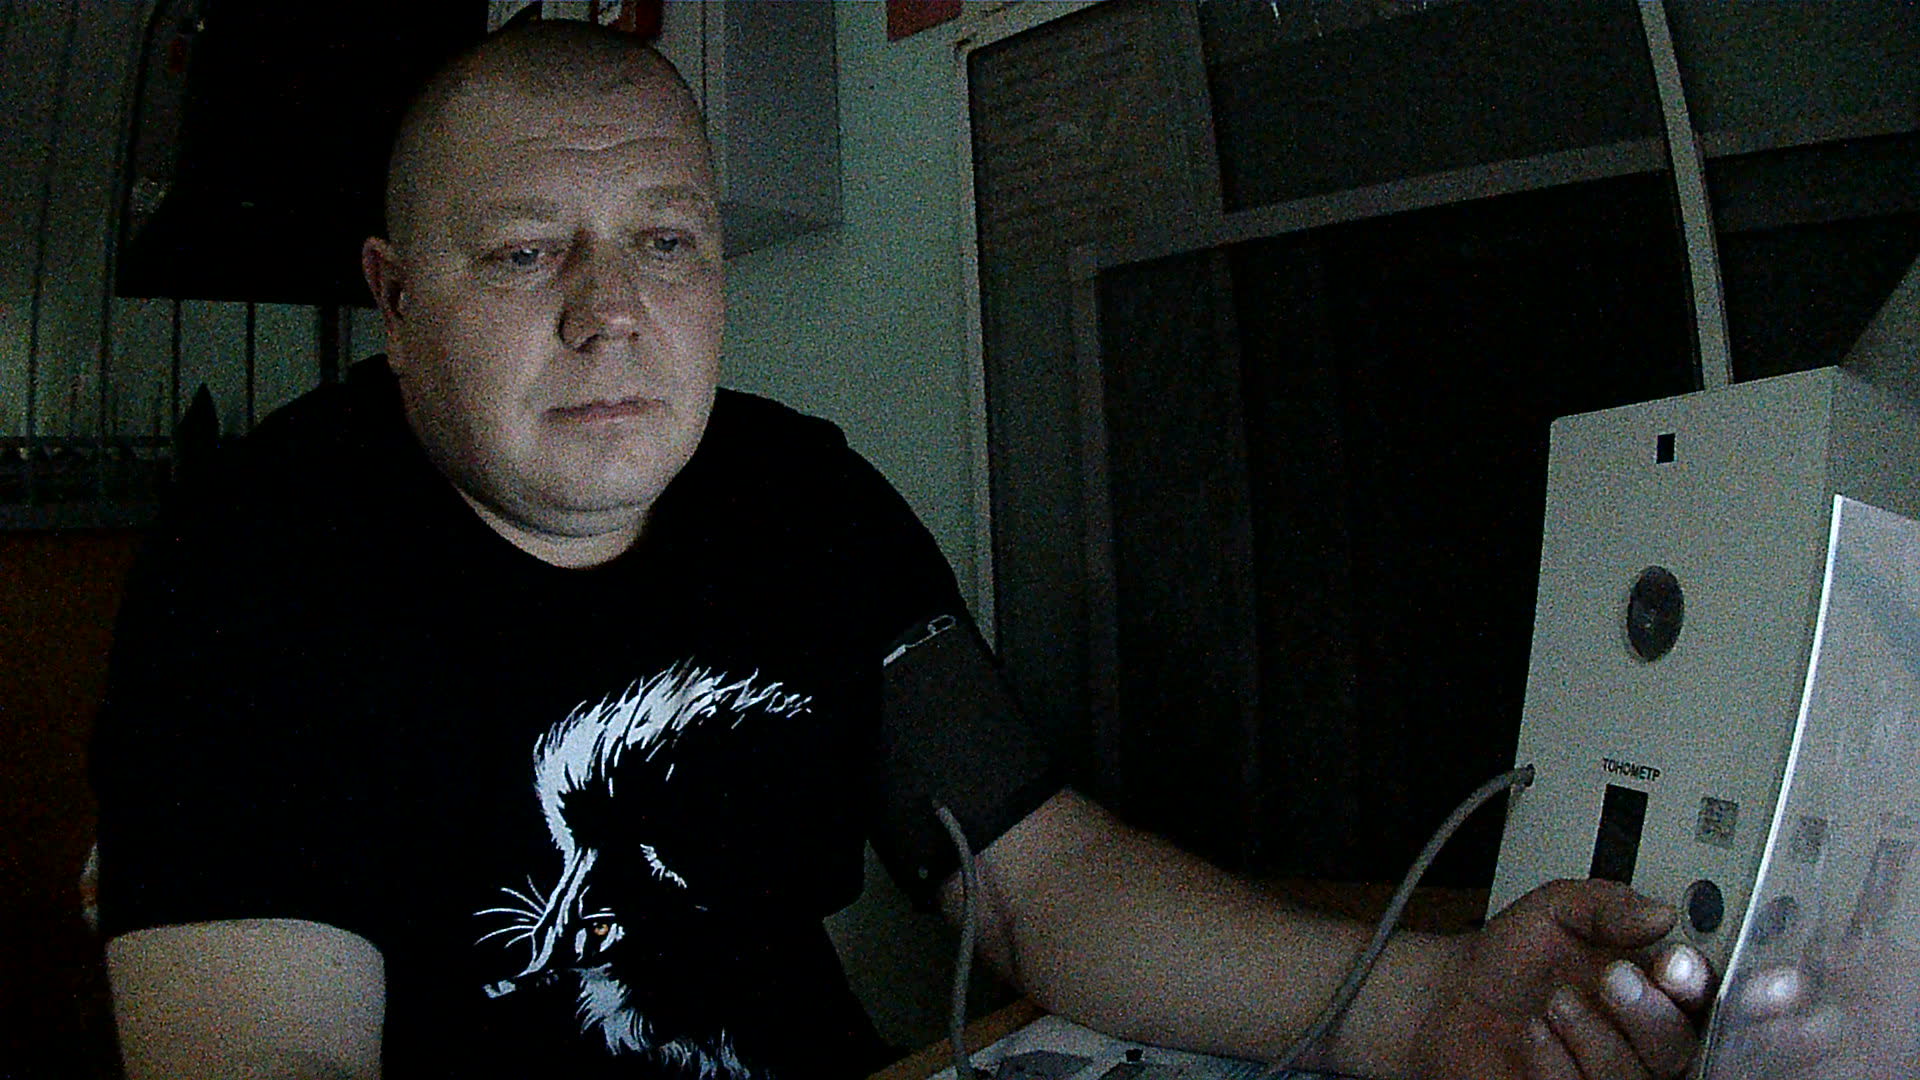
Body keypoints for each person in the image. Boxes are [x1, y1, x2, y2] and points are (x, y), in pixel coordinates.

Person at [91, 20, 1715, 1080]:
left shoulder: (798, 497)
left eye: (667, 241)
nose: (611, 313)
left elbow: (1038, 881)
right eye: (524, 254)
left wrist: (1421, 1004)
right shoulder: (251, 570)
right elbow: (261, 1055)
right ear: (393, 299)